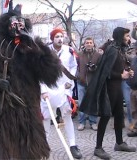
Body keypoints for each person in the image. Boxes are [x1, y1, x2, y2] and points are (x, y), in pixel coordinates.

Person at [0, 3, 62, 160]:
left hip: (28, 113)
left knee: (30, 154)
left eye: (21, 24)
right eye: (14, 23)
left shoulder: (31, 48)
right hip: (2, 114)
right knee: (1, 154)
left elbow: (51, 74)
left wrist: (37, 46)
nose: (18, 27)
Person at [79, 27, 137, 159]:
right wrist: (122, 76)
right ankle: (98, 148)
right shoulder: (112, 50)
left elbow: (118, 68)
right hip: (109, 89)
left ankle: (119, 143)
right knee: (105, 117)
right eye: (127, 36)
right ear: (120, 36)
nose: (128, 38)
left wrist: (128, 71)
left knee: (119, 115)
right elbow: (106, 72)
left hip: (117, 88)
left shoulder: (119, 50)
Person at [40, 27, 82, 159]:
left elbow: (74, 66)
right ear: (52, 38)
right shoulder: (45, 52)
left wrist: (71, 80)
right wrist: (43, 91)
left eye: (61, 36)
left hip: (64, 88)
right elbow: (39, 72)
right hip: (48, 88)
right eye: (57, 36)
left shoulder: (69, 51)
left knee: (67, 116)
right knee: (46, 118)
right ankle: (44, 145)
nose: (60, 38)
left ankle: (73, 145)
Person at [77, 37, 102, 131]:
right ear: (84, 44)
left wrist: (94, 69)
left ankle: (93, 122)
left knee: (93, 102)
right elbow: (75, 66)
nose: (89, 44)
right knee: (81, 103)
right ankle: (81, 122)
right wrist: (78, 76)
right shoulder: (79, 54)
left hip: (93, 82)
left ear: (93, 44)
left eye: (90, 42)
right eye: (87, 42)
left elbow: (100, 68)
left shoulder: (98, 55)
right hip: (81, 82)